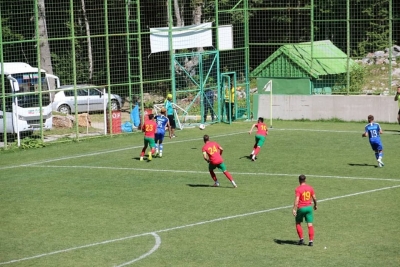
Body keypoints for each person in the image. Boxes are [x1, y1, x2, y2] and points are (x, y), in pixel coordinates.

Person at [292, 174, 317, 247]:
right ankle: (311, 241)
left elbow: (297, 200)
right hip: (309, 208)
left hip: (301, 208)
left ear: (299, 180)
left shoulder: (298, 189)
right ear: (305, 180)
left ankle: (301, 239)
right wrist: (315, 205)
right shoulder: (310, 188)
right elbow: (314, 198)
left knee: (298, 223)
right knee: (310, 225)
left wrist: (294, 209)